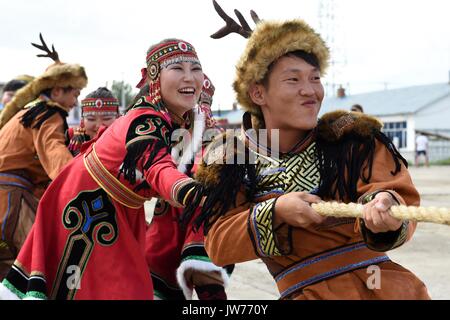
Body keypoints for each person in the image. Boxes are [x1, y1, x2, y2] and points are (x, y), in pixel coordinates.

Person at [192, 10, 430, 300]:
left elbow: (395, 194)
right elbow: (218, 243)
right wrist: (276, 210)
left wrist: (386, 206)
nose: (310, 91)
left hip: (385, 289)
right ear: (258, 94)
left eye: (315, 78)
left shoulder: (349, 138)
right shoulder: (231, 158)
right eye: (293, 80)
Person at [0, 38, 208, 300]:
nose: (190, 77)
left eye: (196, 69)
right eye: (178, 69)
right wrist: (188, 190)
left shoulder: (176, 122)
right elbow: (156, 165)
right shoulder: (144, 120)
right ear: (154, 75)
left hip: (116, 207)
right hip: (85, 205)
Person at [0, 35, 87, 280]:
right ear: (58, 91)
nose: (75, 102)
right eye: (75, 94)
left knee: (6, 269)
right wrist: (82, 181)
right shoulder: (48, 115)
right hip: (11, 199)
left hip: (8, 196)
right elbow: (55, 154)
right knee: (40, 263)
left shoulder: (28, 113)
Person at [145, 74, 233, 300]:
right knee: (158, 274)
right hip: (168, 220)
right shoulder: (166, 131)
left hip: (204, 218)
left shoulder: (217, 139)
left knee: (204, 276)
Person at [67, 87, 121, 156]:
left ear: (118, 118)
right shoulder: (68, 139)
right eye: (91, 119)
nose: (99, 126)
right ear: (82, 120)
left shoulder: (130, 144)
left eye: (106, 118)